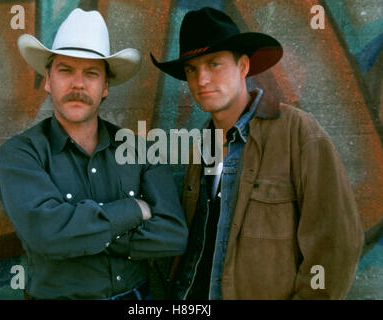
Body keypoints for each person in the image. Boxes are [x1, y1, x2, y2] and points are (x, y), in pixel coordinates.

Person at [151, 7, 364, 300]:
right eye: (192, 69)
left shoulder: (298, 133)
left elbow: (336, 245)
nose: (202, 80)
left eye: (214, 64)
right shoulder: (202, 146)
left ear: (243, 67)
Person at [0, 8, 187, 300]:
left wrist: (78, 234)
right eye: (65, 71)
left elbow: (173, 236)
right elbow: (45, 235)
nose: (78, 84)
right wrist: (134, 211)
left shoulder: (141, 151)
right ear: (48, 80)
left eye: (91, 73)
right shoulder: (21, 154)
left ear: (105, 87)